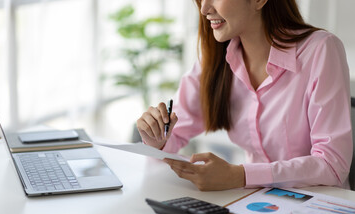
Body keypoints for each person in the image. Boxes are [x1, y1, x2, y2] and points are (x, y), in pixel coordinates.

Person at [136, 0, 352, 191]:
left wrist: (239, 176)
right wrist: (156, 139)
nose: (204, 8)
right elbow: (172, 136)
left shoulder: (320, 50)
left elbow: (332, 165)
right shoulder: (215, 60)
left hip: (319, 209)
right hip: (254, 205)